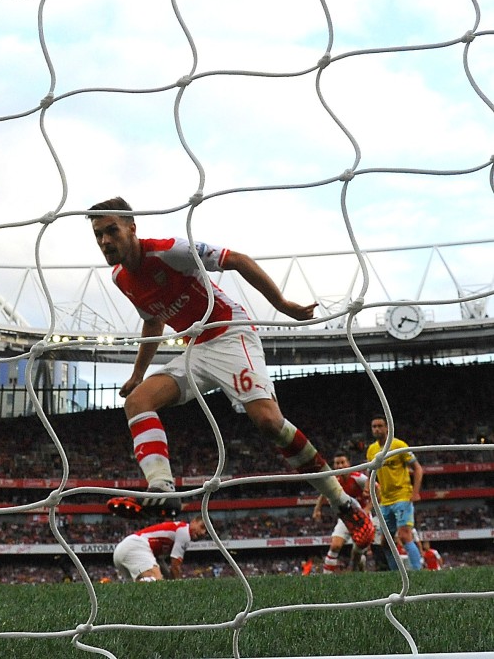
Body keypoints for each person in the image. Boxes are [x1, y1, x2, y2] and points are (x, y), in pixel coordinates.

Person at [86, 198, 374, 551]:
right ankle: (161, 488)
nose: (105, 241)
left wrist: (283, 305)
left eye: (111, 230)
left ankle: (343, 503)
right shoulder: (120, 278)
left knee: (269, 423)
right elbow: (153, 319)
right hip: (195, 348)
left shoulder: (169, 252)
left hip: (229, 333)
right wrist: (138, 372)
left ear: (132, 227)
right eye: (98, 234)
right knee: (138, 401)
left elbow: (235, 260)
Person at [365, 414, 424, 570]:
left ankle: (418, 572)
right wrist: (367, 485)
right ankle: (395, 574)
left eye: (380, 426)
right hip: (385, 500)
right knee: (386, 542)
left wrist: (415, 492)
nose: (377, 429)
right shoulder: (371, 450)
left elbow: (418, 468)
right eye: (374, 426)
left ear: (387, 428)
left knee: (404, 535)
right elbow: (370, 471)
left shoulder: (399, 445)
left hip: (402, 496)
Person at [312, 452, 374, 573]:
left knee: (356, 553)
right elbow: (324, 493)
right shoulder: (334, 480)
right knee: (335, 546)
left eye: (342, 462)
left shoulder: (358, 478)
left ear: (348, 464)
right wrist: (317, 508)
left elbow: (377, 490)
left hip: (362, 519)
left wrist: (367, 509)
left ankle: (358, 566)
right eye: (337, 463)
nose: (340, 466)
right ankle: (326, 579)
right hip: (346, 518)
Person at [112, 516, 206, 582]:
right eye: (202, 527)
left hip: (123, 549)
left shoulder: (177, 532)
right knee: (155, 580)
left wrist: (168, 578)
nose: (202, 532)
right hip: (136, 546)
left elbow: (160, 562)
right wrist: (179, 586)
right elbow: (175, 566)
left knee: (144, 588)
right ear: (193, 521)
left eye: (206, 532)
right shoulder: (185, 533)